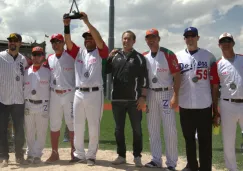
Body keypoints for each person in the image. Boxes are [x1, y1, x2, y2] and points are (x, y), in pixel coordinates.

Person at [63, 12, 109, 166]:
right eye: (86, 38)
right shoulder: (78, 52)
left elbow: (99, 40)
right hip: (79, 93)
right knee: (78, 125)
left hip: (95, 93)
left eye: (90, 38)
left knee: (94, 125)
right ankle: (79, 154)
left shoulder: (101, 51)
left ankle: (91, 155)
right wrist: (66, 25)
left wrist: (87, 22)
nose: (88, 40)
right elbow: (67, 41)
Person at [106, 30, 149, 167]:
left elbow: (145, 80)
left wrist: (142, 97)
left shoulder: (140, 58)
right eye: (124, 38)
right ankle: (121, 155)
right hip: (117, 99)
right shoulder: (115, 56)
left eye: (129, 39)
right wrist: (109, 57)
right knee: (119, 129)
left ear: (134, 41)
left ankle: (137, 156)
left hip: (134, 100)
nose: (126, 41)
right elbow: (105, 71)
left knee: (137, 129)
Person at [176, 27, 216, 171]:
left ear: (198, 38)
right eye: (187, 36)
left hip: (204, 104)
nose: (190, 38)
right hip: (185, 104)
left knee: (205, 140)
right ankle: (192, 166)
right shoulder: (178, 56)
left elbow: (215, 81)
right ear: (184, 38)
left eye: (193, 35)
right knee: (189, 139)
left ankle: (205, 168)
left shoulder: (208, 56)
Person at [142, 28, 180, 171]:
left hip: (166, 93)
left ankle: (171, 163)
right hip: (151, 94)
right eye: (148, 38)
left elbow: (177, 75)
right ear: (146, 40)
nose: (151, 40)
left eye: (153, 37)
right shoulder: (144, 56)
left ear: (158, 38)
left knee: (170, 129)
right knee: (153, 128)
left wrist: (176, 95)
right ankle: (156, 159)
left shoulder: (168, 54)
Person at [210, 32, 243, 171]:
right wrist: (215, 110)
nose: (226, 43)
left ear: (233, 43)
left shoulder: (242, 58)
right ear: (219, 45)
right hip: (226, 104)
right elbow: (215, 88)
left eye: (228, 40)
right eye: (223, 41)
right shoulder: (217, 64)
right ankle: (232, 169)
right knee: (228, 141)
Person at [44, 33, 75, 163]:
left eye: (58, 42)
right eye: (53, 42)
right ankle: (55, 153)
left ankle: (74, 152)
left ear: (63, 43)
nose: (56, 44)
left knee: (72, 124)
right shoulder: (49, 58)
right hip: (54, 94)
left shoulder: (72, 56)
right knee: (54, 124)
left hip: (69, 93)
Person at [0, 33, 28, 168]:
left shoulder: (24, 59)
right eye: (10, 41)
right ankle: (4, 156)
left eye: (15, 41)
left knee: (19, 130)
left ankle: (19, 155)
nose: (12, 43)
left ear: (20, 43)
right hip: (3, 100)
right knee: (2, 130)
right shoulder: (0, 57)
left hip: (18, 100)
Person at [24, 46, 50, 164]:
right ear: (31, 56)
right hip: (29, 104)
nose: (36, 57)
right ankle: (29, 153)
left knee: (41, 131)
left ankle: (37, 154)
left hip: (43, 105)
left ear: (43, 57)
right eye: (34, 55)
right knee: (29, 130)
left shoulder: (48, 72)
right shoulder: (26, 71)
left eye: (39, 55)